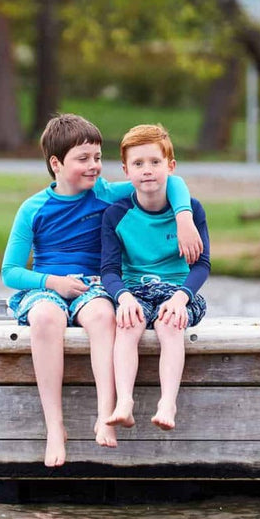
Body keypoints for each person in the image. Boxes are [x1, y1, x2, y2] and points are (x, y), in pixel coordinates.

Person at [1, 114, 203, 467]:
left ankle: (105, 414)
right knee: (47, 317)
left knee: (104, 314)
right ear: (56, 163)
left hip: (93, 288)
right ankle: (55, 427)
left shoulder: (105, 193)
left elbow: (171, 180)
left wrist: (184, 216)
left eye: (97, 157)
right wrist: (52, 282)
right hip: (45, 287)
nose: (95, 166)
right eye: (83, 159)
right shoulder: (33, 208)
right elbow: (10, 272)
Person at [101, 123, 210, 431]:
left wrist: (181, 297)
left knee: (170, 325)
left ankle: (167, 404)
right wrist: (122, 297)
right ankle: (124, 402)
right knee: (126, 325)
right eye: (138, 164)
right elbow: (108, 269)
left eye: (155, 162)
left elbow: (202, 265)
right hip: (134, 291)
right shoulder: (115, 214)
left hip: (179, 292)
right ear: (126, 170)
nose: (147, 170)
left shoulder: (191, 211)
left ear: (170, 167)